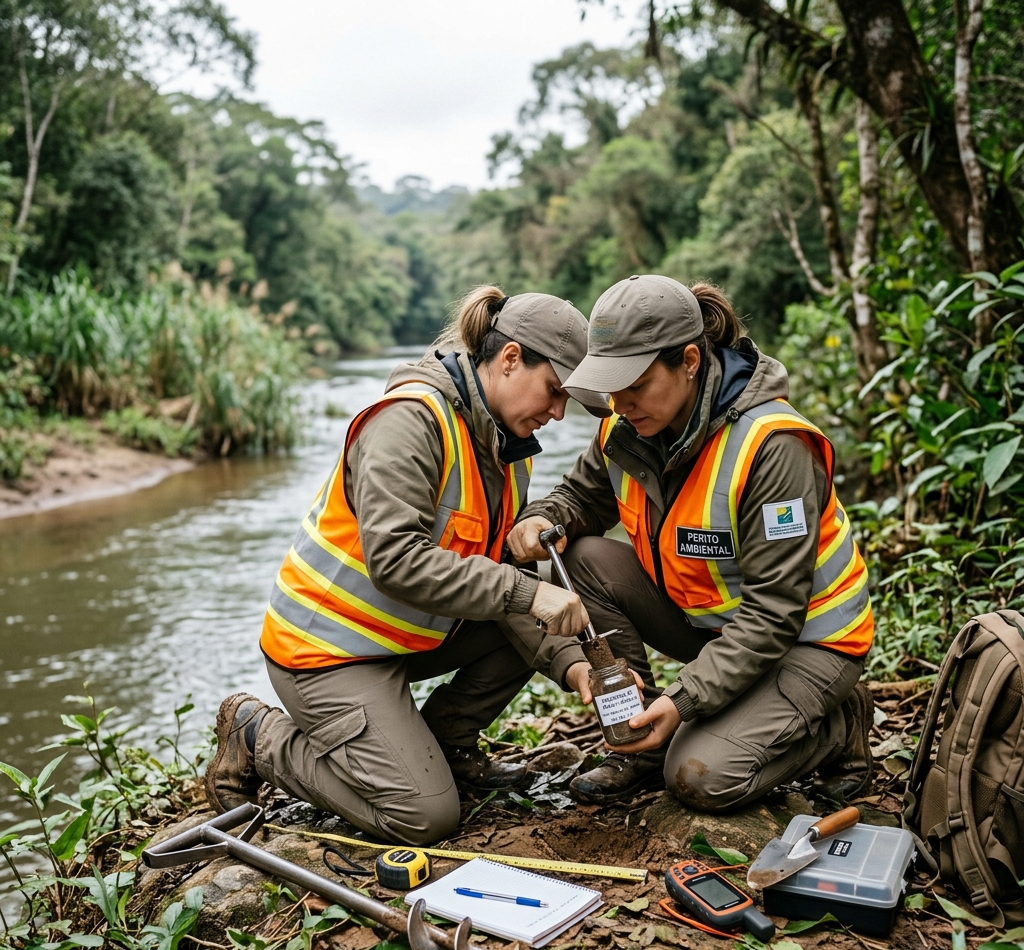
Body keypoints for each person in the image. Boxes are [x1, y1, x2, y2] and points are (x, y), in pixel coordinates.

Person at [205, 287, 614, 845]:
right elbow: (396, 563)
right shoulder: (410, 421)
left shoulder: (503, 443)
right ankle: (258, 736)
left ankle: (447, 744)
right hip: (327, 652)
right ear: (511, 358)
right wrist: (528, 595)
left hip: (405, 639)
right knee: (424, 818)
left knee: (529, 596)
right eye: (554, 391)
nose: (559, 412)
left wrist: (575, 665)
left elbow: (493, 578)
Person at [508, 274, 874, 810]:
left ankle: (837, 724)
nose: (620, 402)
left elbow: (775, 616)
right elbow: (581, 499)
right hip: (713, 630)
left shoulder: (772, 447)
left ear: (690, 361)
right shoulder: (626, 424)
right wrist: (545, 516)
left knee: (699, 777)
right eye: (612, 385)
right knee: (581, 556)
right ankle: (641, 743)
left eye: (635, 384)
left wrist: (684, 700)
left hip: (805, 642)